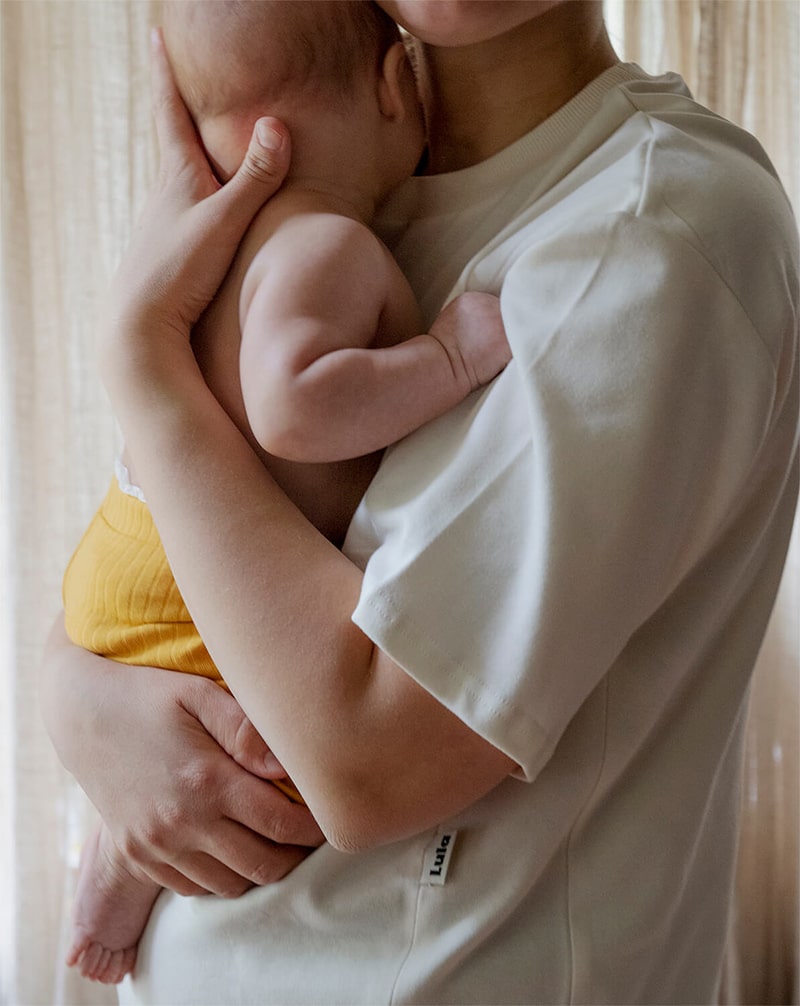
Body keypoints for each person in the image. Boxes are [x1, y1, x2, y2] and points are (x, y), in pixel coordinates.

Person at [41, 0, 799, 1002]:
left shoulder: (654, 223)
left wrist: (139, 357)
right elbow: (164, 548)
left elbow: (365, 761)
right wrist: (68, 691)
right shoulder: (330, 186)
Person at [60, 0, 510, 986]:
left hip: (133, 542)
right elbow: (293, 406)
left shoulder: (221, 254)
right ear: (398, 87)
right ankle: (114, 875)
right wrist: (444, 358)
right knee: (251, 762)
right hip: (183, 587)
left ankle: (107, 876)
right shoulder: (324, 245)